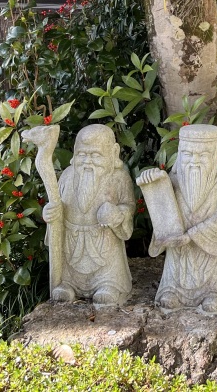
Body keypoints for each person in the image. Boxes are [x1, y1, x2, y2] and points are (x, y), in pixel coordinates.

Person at [138, 124, 217, 314]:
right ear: (179, 156)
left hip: (209, 249)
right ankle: (172, 290)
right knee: (174, 271)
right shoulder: (172, 181)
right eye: (188, 154)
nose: (194, 161)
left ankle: (214, 293)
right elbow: (163, 211)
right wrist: (154, 183)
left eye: (202, 155)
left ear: (215, 156)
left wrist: (192, 235)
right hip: (179, 251)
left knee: (213, 270)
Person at [41, 125, 135, 307]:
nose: (87, 161)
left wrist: (117, 214)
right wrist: (50, 213)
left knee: (108, 281)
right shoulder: (67, 176)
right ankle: (68, 284)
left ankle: (108, 284)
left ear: (113, 153)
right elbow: (57, 204)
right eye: (82, 154)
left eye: (96, 155)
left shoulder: (119, 177)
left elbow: (129, 206)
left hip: (105, 245)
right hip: (72, 241)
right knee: (66, 280)